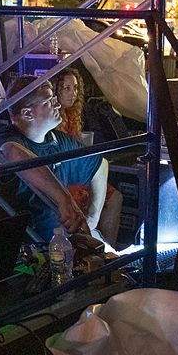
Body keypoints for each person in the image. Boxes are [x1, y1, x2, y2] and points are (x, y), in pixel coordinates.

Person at [0, 75, 109, 241]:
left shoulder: (57, 140)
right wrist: (64, 199)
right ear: (27, 113)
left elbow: (100, 165)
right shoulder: (6, 139)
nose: (58, 105)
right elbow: (13, 153)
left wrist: (93, 217)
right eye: (49, 101)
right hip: (27, 246)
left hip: (62, 244)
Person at [53, 67, 124, 244]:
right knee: (100, 199)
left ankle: (106, 248)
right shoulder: (53, 117)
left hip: (77, 169)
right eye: (67, 88)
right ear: (55, 91)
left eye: (75, 88)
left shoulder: (72, 114)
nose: (73, 93)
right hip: (66, 176)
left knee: (115, 197)